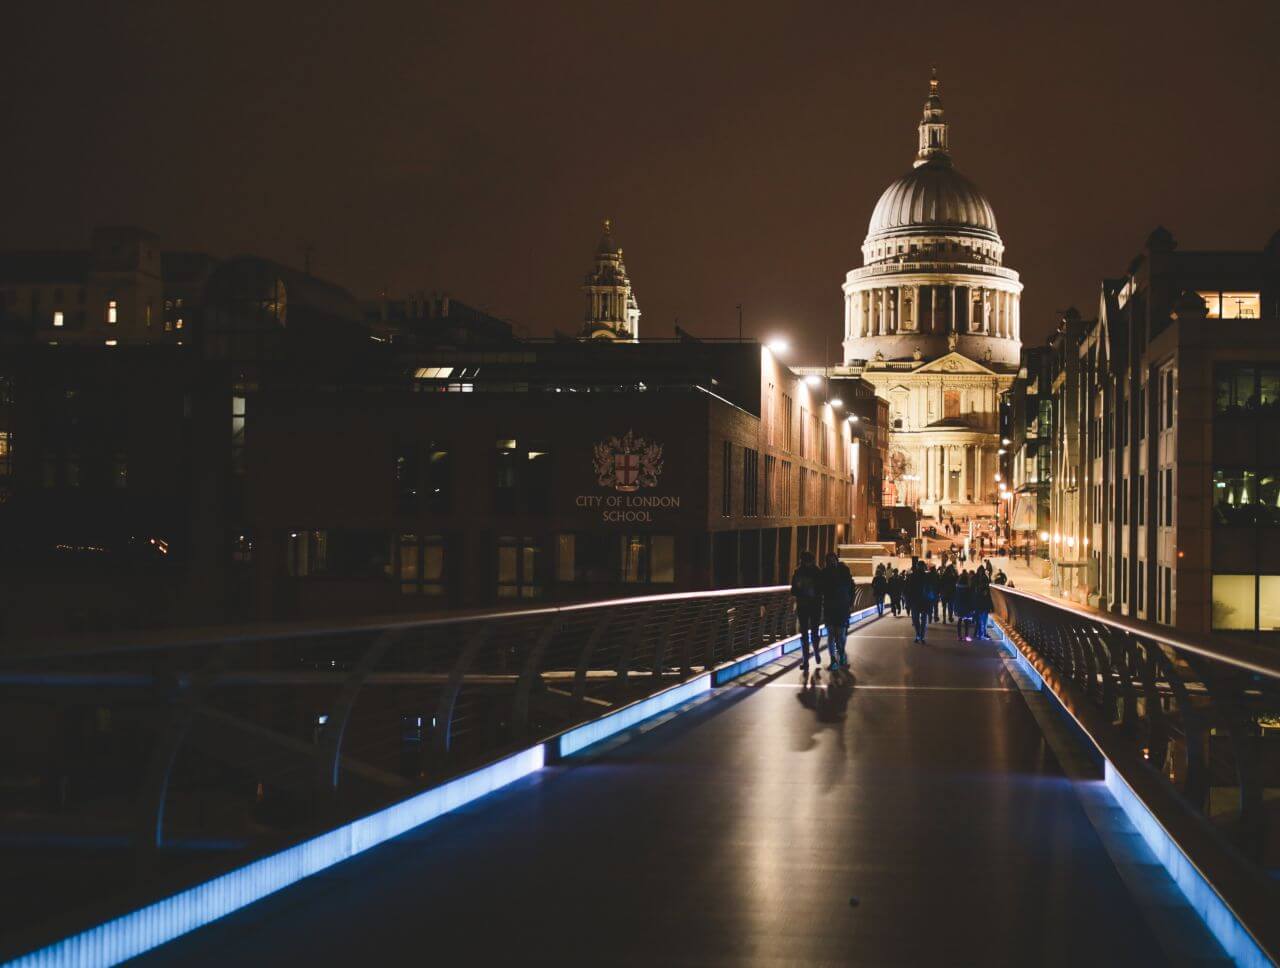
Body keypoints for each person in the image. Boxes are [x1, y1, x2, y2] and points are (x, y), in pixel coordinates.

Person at [790, 551, 823, 674]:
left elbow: (793, 590)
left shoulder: (798, 572)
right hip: (815, 606)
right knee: (814, 631)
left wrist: (800, 589)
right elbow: (821, 589)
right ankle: (815, 652)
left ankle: (806, 660)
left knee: (804, 634)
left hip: (803, 606)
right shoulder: (818, 572)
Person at [820, 552, 854, 669]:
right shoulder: (824, 573)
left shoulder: (843, 571)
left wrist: (850, 602)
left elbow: (851, 586)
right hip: (831, 607)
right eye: (829, 560)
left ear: (836, 559)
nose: (831, 562)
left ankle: (841, 653)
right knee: (831, 634)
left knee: (840, 634)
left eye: (833, 559)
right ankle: (833, 660)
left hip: (841, 607)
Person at [905, 560, 933, 644]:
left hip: (915, 601)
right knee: (923, 619)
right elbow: (930, 589)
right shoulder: (927, 576)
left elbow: (908, 590)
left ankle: (918, 635)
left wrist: (908, 602)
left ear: (917, 566)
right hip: (924, 600)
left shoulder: (911, 576)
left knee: (916, 619)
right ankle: (922, 636)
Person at [972, 566, 993, 640]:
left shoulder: (977, 578)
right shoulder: (982, 578)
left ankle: (981, 633)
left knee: (982, 619)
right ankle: (980, 633)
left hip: (981, 602)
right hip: (980, 602)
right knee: (980, 619)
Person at [954, 570, 974, 640]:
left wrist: (955, 608)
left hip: (959, 606)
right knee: (966, 621)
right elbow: (970, 598)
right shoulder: (968, 588)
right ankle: (966, 636)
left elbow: (956, 598)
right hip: (966, 606)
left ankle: (959, 636)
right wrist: (972, 607)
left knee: (959, 620)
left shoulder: (957, 588)